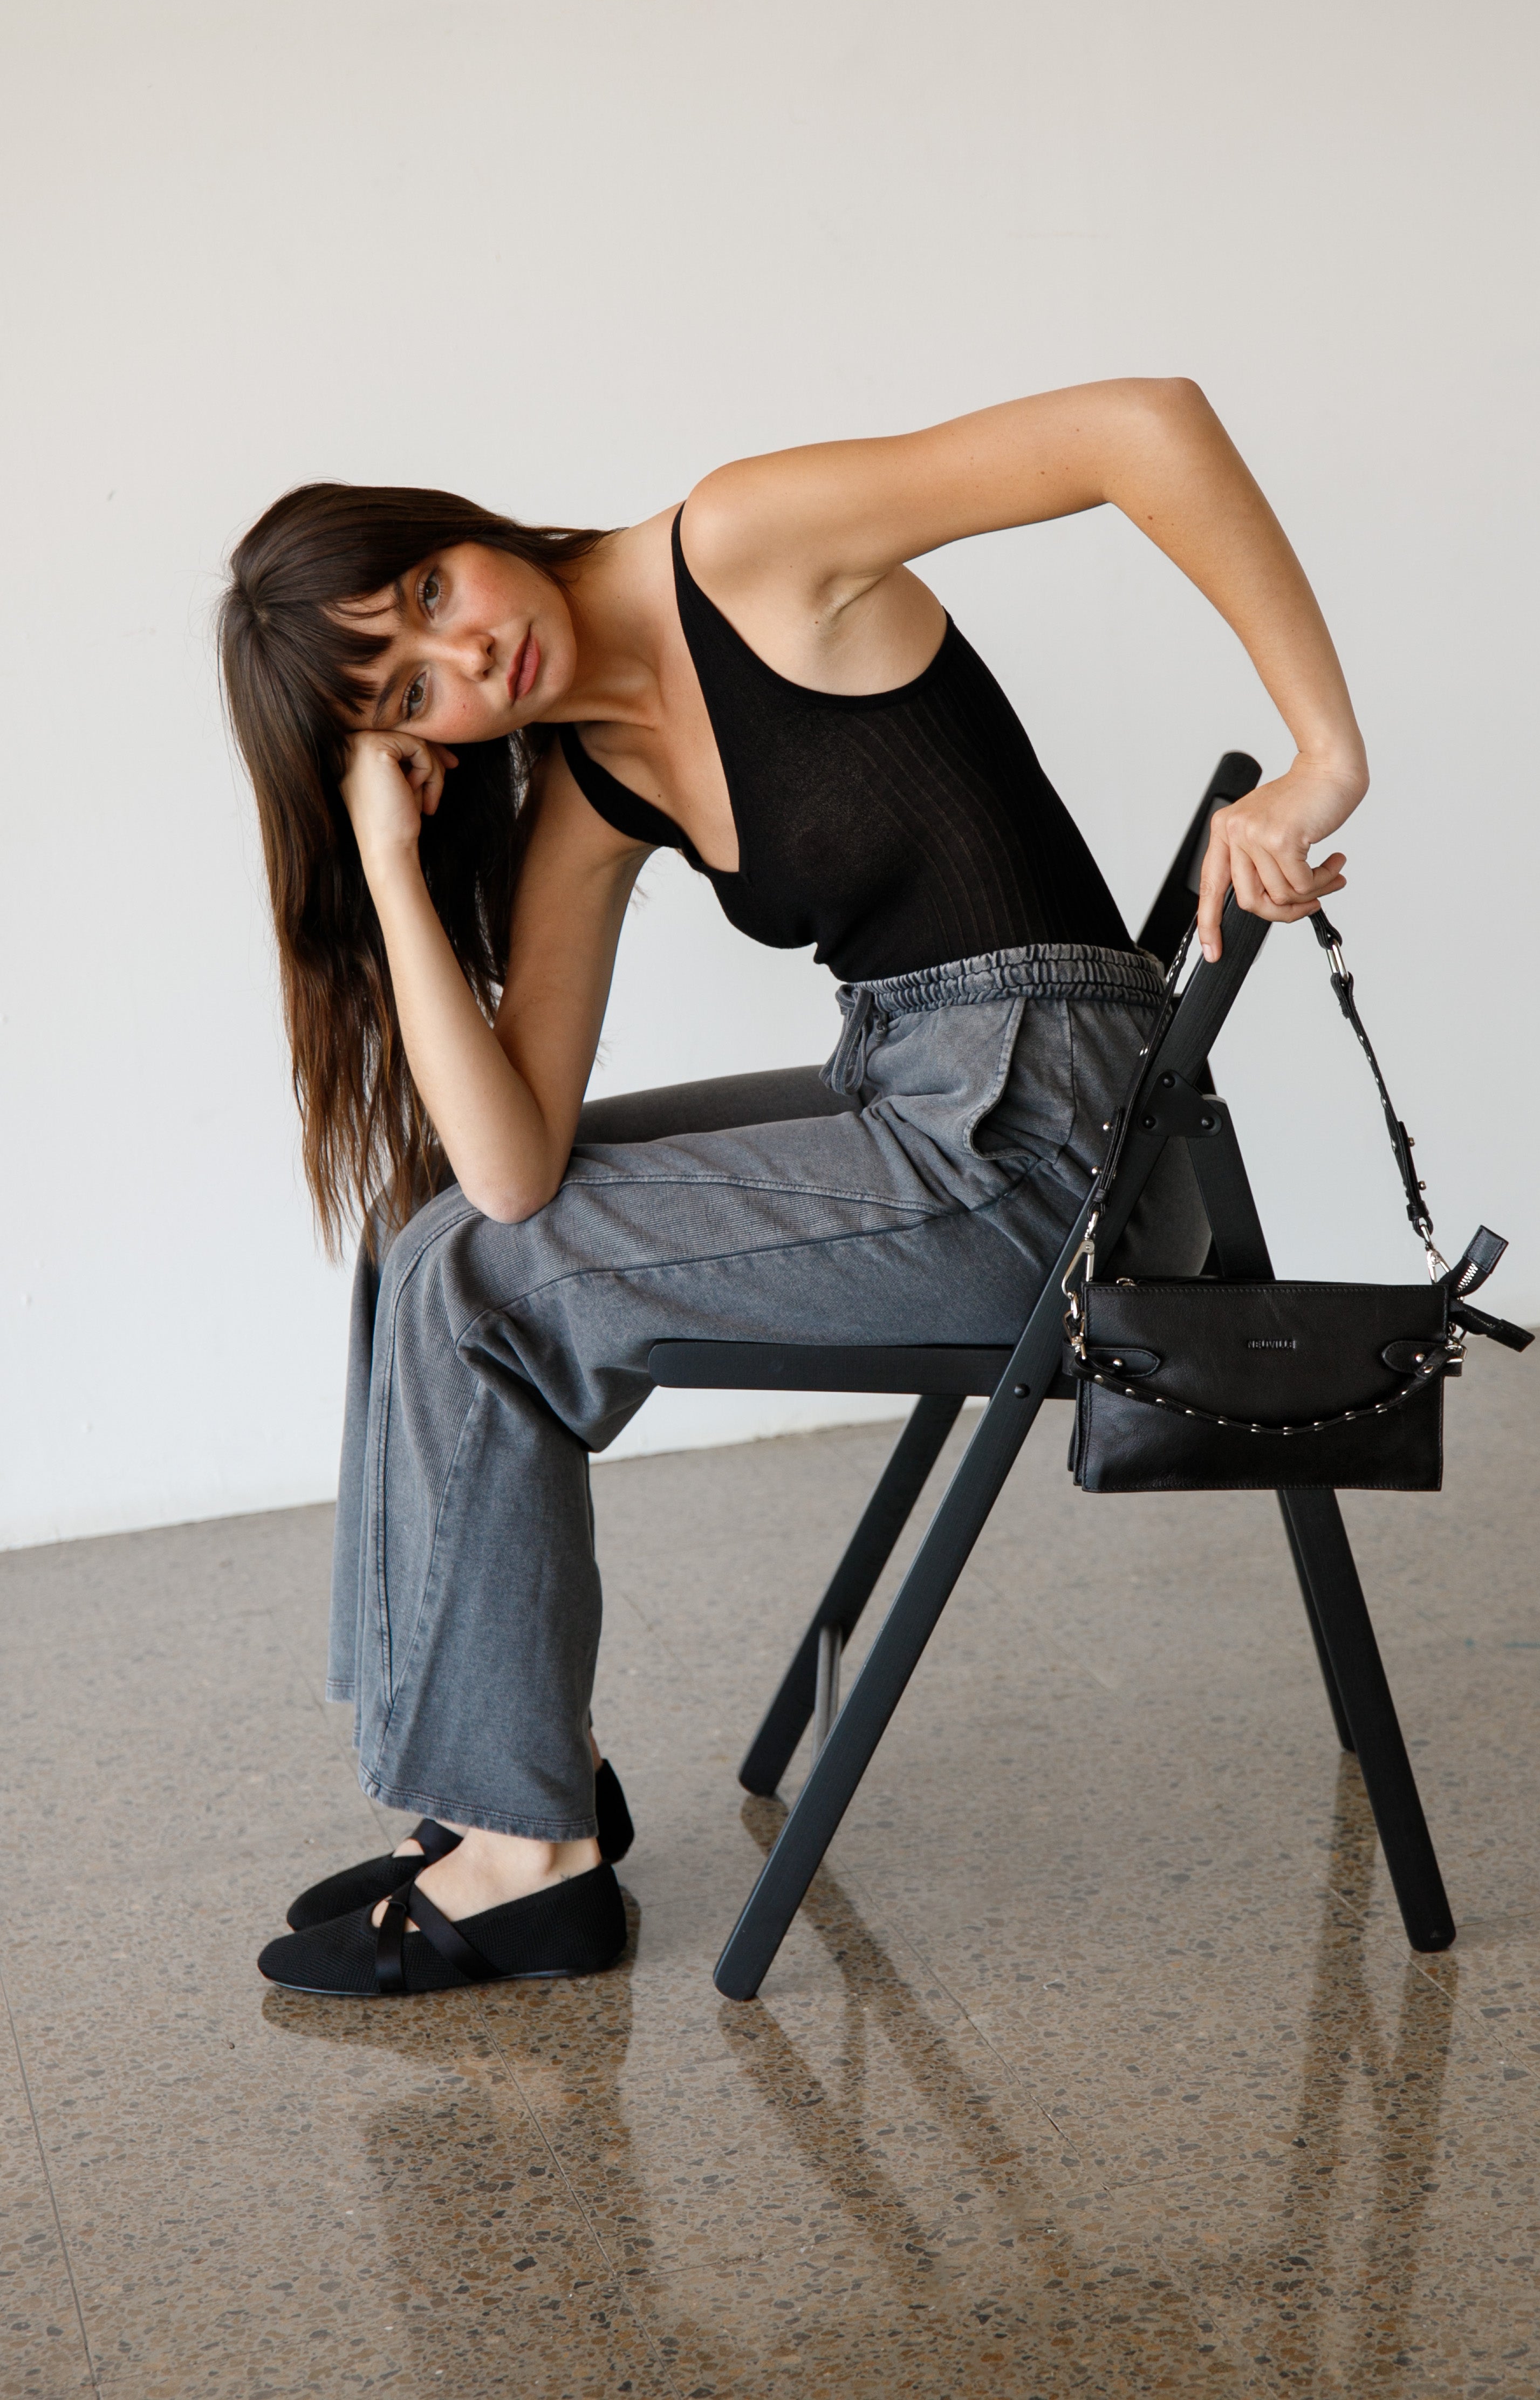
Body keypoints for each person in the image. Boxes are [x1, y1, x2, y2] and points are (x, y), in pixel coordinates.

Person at [220, 380, 1366, 1996]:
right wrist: (397, 871)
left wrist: (1325, 755)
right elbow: (511, 1165)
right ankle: (496, 1802)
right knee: (440, 1243)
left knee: (476, 1283)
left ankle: (525, 1847)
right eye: (415, 689)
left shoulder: (744, 542)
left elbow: (1144, 427)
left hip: (1047, 1160)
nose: (470, 658)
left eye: (429, 596)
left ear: (461, 531)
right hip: (922, 1102)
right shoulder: (597, 784)